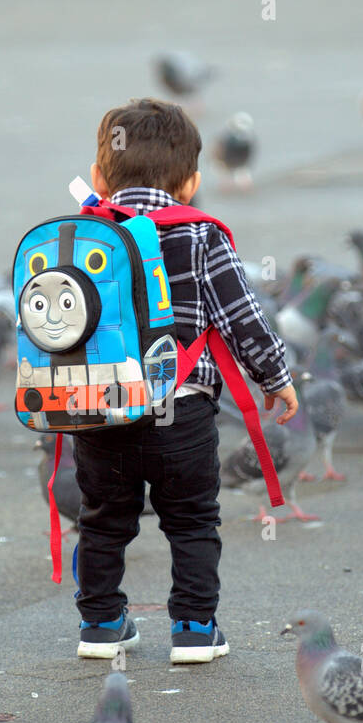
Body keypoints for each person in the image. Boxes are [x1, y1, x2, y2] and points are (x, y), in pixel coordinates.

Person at [73, 97, 297, 664]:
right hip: (182, 412)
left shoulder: (81, 234)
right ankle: (195, 629)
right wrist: (275, 376)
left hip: (100, 409)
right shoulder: (201, 236)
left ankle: (100, 625)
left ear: (100, 177)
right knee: (193, 522)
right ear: (192, 183)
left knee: (102, 520)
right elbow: (241, 315)